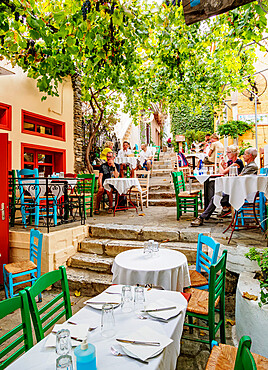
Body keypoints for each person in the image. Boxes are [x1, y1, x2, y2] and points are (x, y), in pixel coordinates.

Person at [191, 147, 258, 227]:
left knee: (216, 196)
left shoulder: (251, 166)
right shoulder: (249, 165)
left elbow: (237, 177)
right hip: (239, 189)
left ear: (250, 155)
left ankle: (202, 217)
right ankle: (207, 214)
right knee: (215, 191)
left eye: (245, 154)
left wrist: (220, 164)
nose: (243, 156)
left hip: (243, 192)